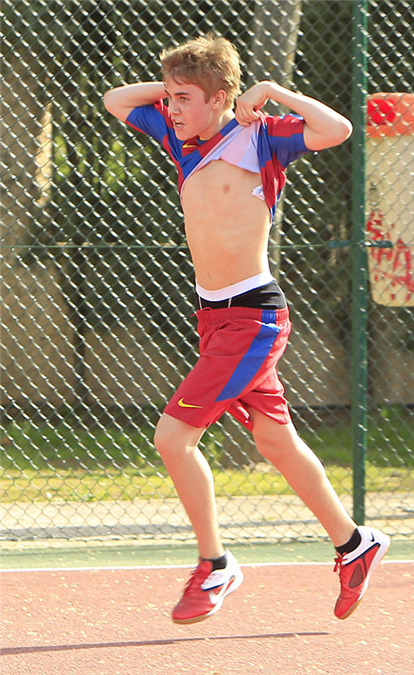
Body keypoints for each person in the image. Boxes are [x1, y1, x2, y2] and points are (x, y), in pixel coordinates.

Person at [104, 33, 390, 625]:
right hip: (214, 318)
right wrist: (176, 86)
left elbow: (337, 129)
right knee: (274, 440)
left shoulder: (261, 137)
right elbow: (115, 100)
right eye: (171, 98)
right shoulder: (179, 138)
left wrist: (273, 91)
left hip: (254, 317)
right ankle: (353, 544)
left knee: (172, 438)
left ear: (222, 98)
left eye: (186, 98)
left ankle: (215, 564)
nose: (173, 108)